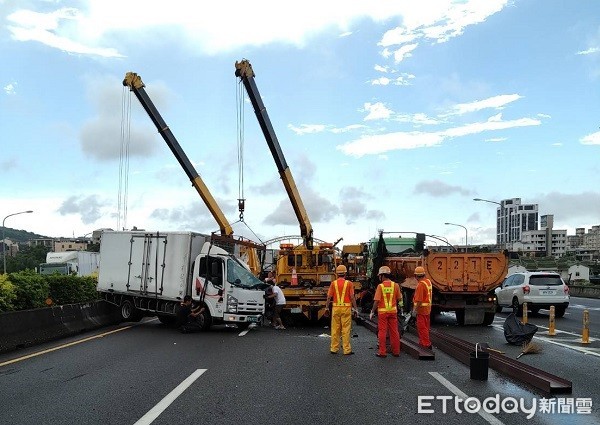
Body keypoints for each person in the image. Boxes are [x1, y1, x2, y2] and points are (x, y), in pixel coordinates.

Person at [369, 266, 403, 358]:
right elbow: (400, 299)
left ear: (382, 276)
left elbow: (376, 301)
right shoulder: (395, 285)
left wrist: (372, 311)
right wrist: (401, 308)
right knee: (394, 332)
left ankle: (382, 352)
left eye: (379, 276)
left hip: (383, 313)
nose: (379, 278)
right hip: (393, 312)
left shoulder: (380, 286)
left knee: (382, 332)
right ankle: (396, 352)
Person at [326, 265, 358, 355]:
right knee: (346, 329)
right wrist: (355, 309)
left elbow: (329, 297)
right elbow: (352, 297)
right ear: (345, 273)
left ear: (337, 273)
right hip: (346, 308)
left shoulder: (333, 283)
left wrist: (326, 307)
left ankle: (334, 348)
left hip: (336, 308)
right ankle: (346, 350)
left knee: (335, 329)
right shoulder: (349, 284)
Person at [412, 266, 433, 349]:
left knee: (422, 328)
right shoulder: (428, 282)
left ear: (416, 276)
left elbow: (419, 300)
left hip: (421, 310)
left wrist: (415, 310)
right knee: (426, 327)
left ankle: (426, 344)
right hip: (427, 309)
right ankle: (422, 343)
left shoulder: (420, 285)